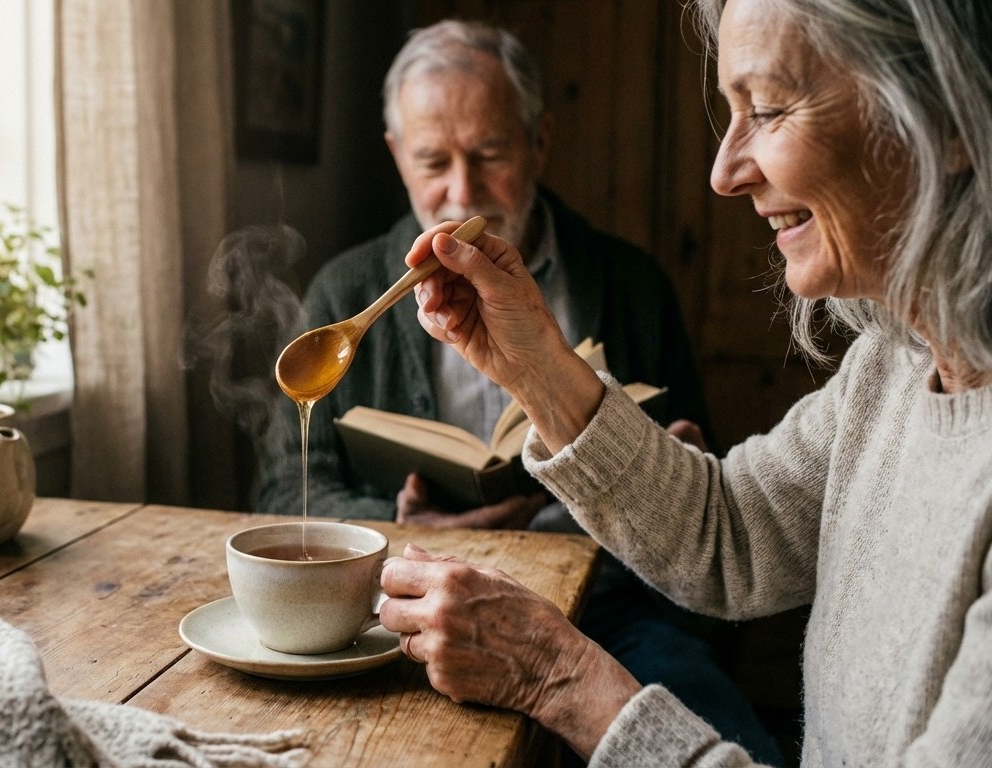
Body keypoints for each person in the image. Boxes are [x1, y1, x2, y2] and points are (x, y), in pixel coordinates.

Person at [380, 0, 992, 765]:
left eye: (766, 109)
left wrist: (560, 679)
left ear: (949, 118)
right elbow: (728, 535)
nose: (724, 172)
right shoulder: (891, 368)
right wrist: (531, 364)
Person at [255, 19, 783, 765]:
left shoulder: (629, 285)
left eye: (491, 153)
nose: (461, 190)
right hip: (403, 620)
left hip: (614, 611)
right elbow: (283, 491)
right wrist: (414, 534)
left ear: (538, 142)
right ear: (395, 156)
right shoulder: (344, 291)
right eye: (432, 160)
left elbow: (709, 513)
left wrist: (675, 465)